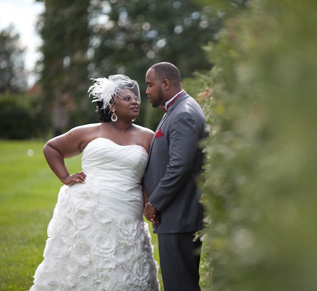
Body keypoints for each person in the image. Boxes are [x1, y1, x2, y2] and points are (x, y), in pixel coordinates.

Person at [30, 75, 160, 290]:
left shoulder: (148, 137)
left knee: (124, 266)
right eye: (127, 99)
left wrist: (149, 205)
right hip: (87, 209)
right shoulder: (88, 131)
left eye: (136, 98)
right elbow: (51, 148)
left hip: (126, 209)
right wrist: (65, 177)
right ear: (112, 105)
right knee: (84, 264)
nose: (135, 101)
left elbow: (148, 176)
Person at [142, 61, 207, 291]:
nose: (147, 91)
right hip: (175, 217)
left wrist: (154, 203)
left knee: (180, 285)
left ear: (166, 83)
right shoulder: (177, 109)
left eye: (150, 85)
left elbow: (179, 166)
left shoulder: (183, 113)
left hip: (179, 217)